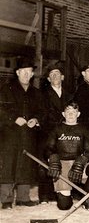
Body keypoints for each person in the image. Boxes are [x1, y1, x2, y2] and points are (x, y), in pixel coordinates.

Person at [0, 57, 45, 209]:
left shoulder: (37, 93)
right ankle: (6, 199)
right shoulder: (7, 89)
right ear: (17, 72)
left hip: (28, 134)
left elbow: (43, 111)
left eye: (29, 72)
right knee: (9, 164)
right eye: (23, 72)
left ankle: (23, 197)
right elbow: (1, 110)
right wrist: (13, 119)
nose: (26, 75)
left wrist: (36, 119)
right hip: (10, 134)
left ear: (32, 75)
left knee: (26, 164)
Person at [44, 102, 89, 210]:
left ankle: (85, 197)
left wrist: (81, 160)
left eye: (73, 112)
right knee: (64, 206)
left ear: (78, 114)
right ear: (63, 114)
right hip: (62, 163)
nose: (70, 115)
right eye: (68, 112)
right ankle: (68, 193)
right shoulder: (56, 129)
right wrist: (53, 158)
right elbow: (48, 148)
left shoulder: (84, 129)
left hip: (79, 162)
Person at [38, 62, 73, 204]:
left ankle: (63, 191)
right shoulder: (43, 95)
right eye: (51, 75)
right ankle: (45, 195)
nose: (55, 76)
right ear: (48, 79)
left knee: (64, 161)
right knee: (47, 162)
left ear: (62, 77)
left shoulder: (69, 94)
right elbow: (44, 114)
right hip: (49, 132)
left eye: (57, 74)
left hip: (65, 133)